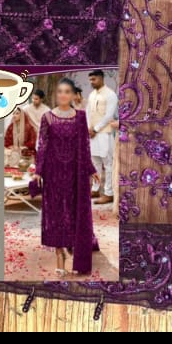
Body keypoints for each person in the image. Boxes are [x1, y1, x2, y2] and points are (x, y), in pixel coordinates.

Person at [35, 77, 96, 276]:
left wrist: (91, 169)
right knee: (55, 213)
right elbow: (43, 146)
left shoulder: (80, 117)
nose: (63, 95)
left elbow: (85, 146)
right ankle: (59, 254)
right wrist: (38, 171)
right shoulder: (47, 117)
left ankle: (72, 244)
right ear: (56, 94)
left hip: (75, 173)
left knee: (73, 211)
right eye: (60, 91)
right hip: (53, 172)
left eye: (67, 91)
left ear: (73, 95)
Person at [86, 70, 118, 205]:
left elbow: (109, 115)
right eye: (90, 80)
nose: (91, 82)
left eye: (94, 79)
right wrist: (88, 128)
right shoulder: (92, 95)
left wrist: (95, 129)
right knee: (95, 163)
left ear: (101, 78)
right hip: (93, 134)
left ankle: (109, 193)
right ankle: (95, 189)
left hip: (105, 133)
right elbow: (88, 113)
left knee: (108, 164)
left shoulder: (110, 95)